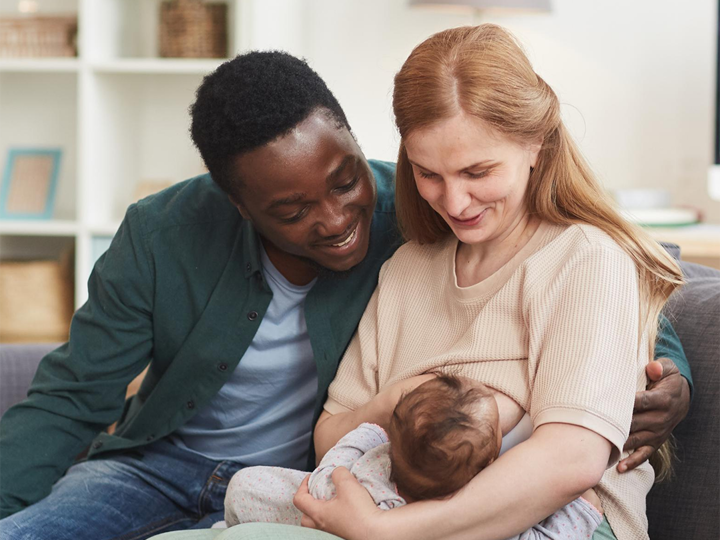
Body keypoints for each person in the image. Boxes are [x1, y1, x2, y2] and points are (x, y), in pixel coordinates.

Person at [0, 49, 689, 540]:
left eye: (343, 180)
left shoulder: (419, 212)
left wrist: (672, 376)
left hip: (340, 488)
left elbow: (596, 293)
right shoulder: (166, 234)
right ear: (238, 203)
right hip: (184, 472)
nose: (333, 220)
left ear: (357, 146)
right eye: (292, 210)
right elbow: (68, 397)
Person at [294, 25, 686, 540]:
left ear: (535, 147)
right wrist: (397, 401)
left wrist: (393, 532)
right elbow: (330, 438)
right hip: (385, 506)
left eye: (477, 172)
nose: (454, 202)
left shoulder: (585, 258)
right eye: (428, 173)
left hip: (561, 522)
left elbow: (570, 461)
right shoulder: (407, 269)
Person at [222, 374, 603, 540]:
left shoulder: (371, 467)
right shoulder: (492, 519)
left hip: (333, 516)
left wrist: (370, 434)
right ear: (491, 463)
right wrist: (584, 506)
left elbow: (327, 474)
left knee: (245, 485)